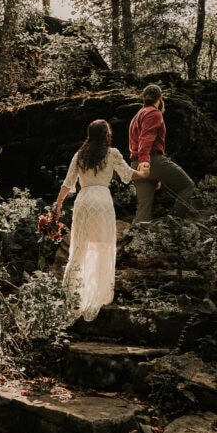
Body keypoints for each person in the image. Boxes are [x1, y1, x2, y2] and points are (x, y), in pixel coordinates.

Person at [53, 119, 148, 322]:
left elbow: (68, 183)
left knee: (80, 246)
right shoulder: (112, 153)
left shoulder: (80, 155)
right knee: (103, 246)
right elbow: (128, 175)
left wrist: (58, 205)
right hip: (103, 201)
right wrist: (146, 174)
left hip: (84, 201)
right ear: (106, 135)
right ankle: (98, 292)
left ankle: (72, 293)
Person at [128, 84, 195, 223]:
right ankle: (176, 226)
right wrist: (145, 162)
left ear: (143, 99)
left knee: (143, 206)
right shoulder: (154, 113)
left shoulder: (136, 116)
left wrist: (151, 171)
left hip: (136, 163)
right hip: (150, 160)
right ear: (160, 98)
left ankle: (137, 238)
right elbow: (146, 137)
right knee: (187, 186)